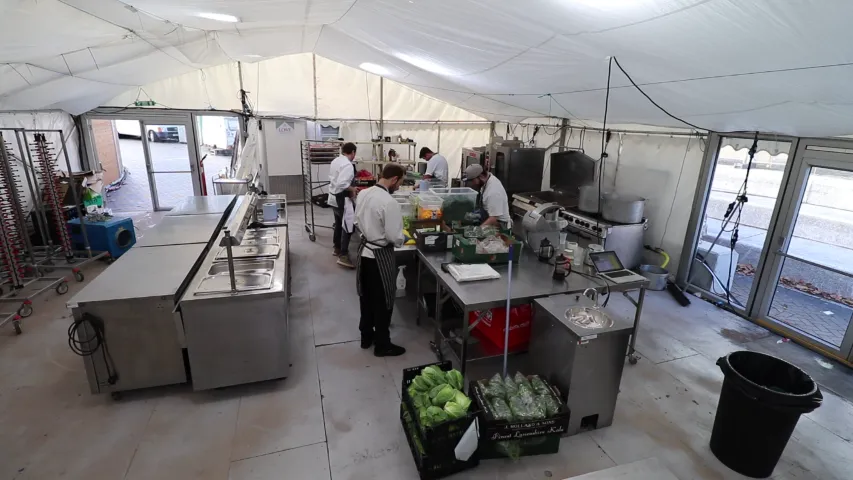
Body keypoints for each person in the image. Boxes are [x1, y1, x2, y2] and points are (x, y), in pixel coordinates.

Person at [355, 163, 408, 357]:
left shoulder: (363, 193)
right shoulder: (389, 202)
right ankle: (383, 344)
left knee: (366, 297)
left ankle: (366, 337)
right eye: (400, 183)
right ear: (394, 180)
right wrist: (404, 239)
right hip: (380, 256)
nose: (399, 187)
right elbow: (394, 236)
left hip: (364, 252)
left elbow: (356, 221)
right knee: (383, 300)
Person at [328, 142, 358, 268]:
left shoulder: (336, 160)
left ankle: (337, 248)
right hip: (342, 198)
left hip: (333, 197)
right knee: (348, 226)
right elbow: (342, 184)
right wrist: (353, 189)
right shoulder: (348, 165)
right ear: (353, 152)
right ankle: (344, 256)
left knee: (339, 224)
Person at [464, 164, 513, 229]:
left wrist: (478, 230)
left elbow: (493, 219)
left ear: (481, 176)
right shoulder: (487, 178)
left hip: (500, 225)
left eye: (473, 181)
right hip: (489, 216)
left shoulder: (493, 192)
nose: (472, 183)